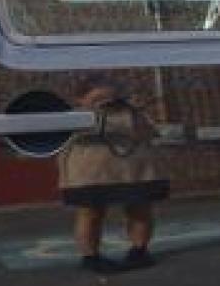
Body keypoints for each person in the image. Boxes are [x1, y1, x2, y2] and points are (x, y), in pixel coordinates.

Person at [59, 76, 168, 273]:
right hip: (89, 174)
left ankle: (139, 251)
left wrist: (134, 109)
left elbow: (151, 131)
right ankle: (90, 257)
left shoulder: (132, 114)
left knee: (140, 210)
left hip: (135, 171)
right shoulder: (72, 117)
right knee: (91, 213)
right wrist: (94, 110)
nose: (106, 101)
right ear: (80, 99)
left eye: (111, 97)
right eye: (98, 97)